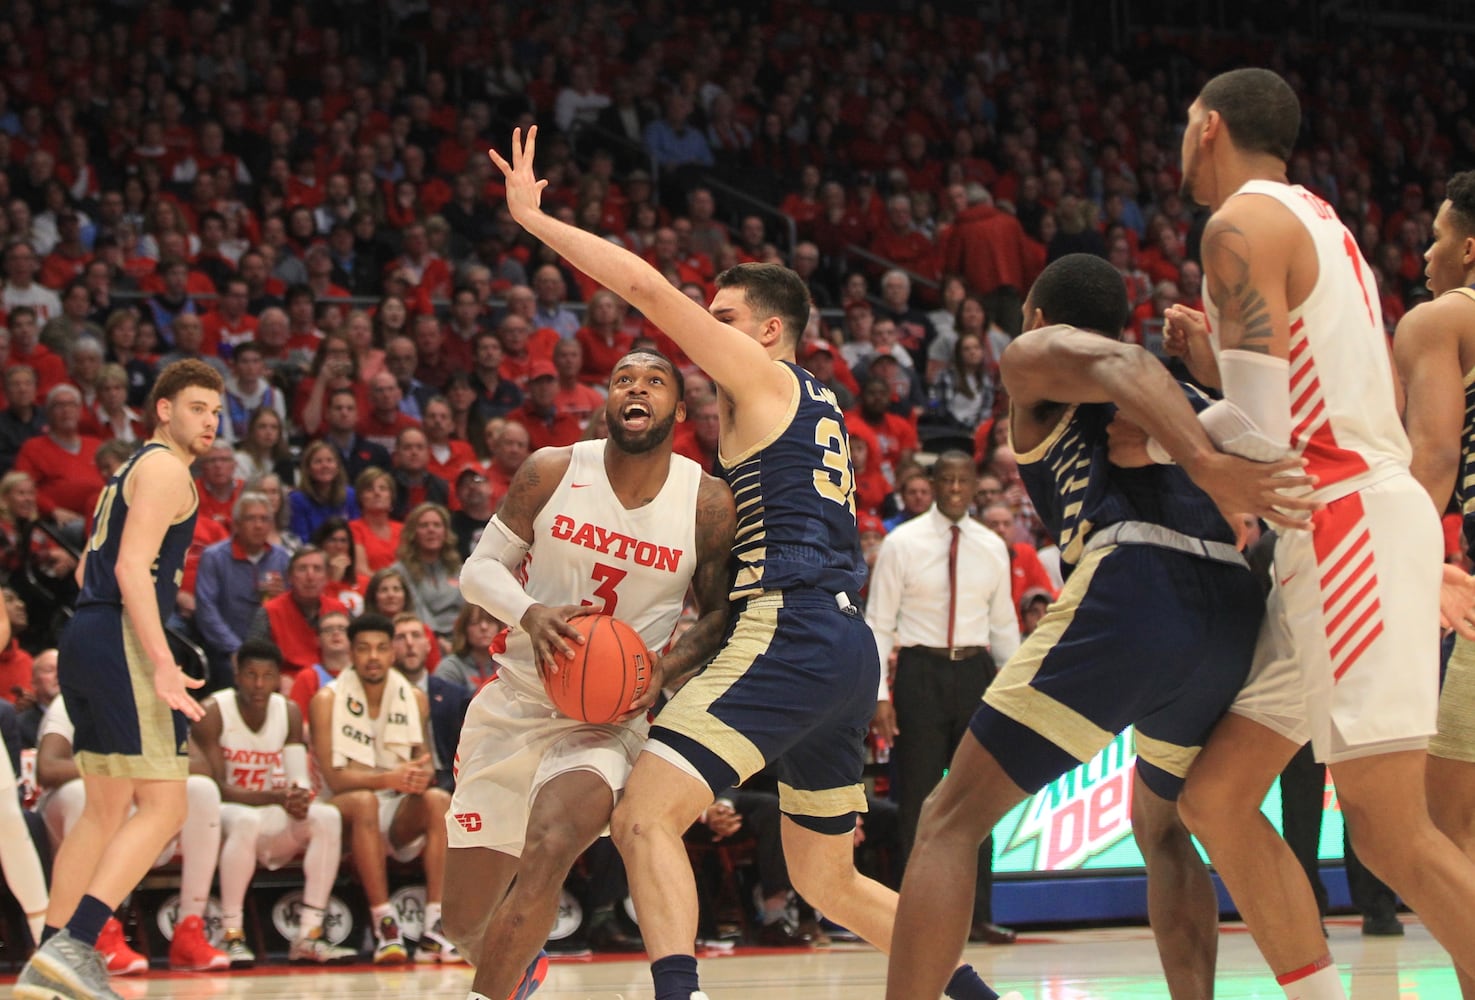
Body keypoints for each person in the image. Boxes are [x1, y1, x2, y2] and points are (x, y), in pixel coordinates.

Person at [493, 126, 993, 1000]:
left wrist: (536, 220)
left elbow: (646, 289)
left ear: (768, 331)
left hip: (789, 625)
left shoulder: (764, 378)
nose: (705, 337)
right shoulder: (822, 404)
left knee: (644, 814)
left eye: (720, 321)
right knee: (825, 880)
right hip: (840, 648)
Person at [883, 253, 1319, 1000]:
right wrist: (1211, 381)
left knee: (947, 820)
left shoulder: (1035, 355)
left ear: (1035, 317)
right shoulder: (1175, 384)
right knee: (1161, 824)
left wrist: (1205, 464)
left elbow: (1118, 362)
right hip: (1226, 603)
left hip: (1133, 585)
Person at [1161, 69, 1475, 1000]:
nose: (1181, 143)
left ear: (1208, 127)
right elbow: (1300, 401)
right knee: (1214, 797)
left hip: (1344, 528)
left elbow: (1256, 437)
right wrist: (1211, 372)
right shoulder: (1315, 217)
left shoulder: (1235, 229)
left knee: (1388, 828)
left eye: (1184, 126)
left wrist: (1149, 406)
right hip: (1333, 527)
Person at [444, 348, 735, 1000]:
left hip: (605, 720)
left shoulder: (706, 501)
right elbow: (478, 571)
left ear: (680, 410)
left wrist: (660, 673)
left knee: (550, 848)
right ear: (606, 400)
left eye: (655, 381)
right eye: (623, 379)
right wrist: (530, 612)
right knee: (462, 922)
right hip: (518, 698)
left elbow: (717, 616)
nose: (637, 389)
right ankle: (518, 969)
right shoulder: (551, 469)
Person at [17, 359, 226, 998]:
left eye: (216, 412)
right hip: (124, 642)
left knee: (105, 808)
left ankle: (48, 959)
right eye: (197, 407)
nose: (210, 422)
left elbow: (89, 572)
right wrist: (162, 661)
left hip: (86, 633)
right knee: (164, 805)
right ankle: (79, 945)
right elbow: (133, 570)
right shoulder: (168, 471)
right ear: (163, 409)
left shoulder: (128, 470)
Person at [866, 452, 1020, 946]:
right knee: (919, 798)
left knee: (979, 795)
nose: (955, 488)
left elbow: (1004, 627)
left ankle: (978, 914)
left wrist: (1014, 695)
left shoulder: (993, 546)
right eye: (946, 479)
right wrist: (880, 694)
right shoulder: (901, 542)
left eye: (963, 480)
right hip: (920, 672)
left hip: (976, 671)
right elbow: (878, 622)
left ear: (976, 486)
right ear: (932, 484)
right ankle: (918, 916)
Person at [1390, 167, 1475, 996]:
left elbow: (1434, 458)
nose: (1424, 251)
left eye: (1437, 236)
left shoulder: (1442, 319)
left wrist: (1400, 567)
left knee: (1446, 825)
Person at [190, 639, 355, 967]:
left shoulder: (289, 711)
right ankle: (231, 932)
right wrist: (278, 797)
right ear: (237, 674)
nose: (259, 684)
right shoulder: (213, 711)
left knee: (327, 817)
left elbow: (298, 783)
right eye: (251, 674)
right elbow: (218, 789)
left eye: (268, 675)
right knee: (246, 821)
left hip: (271, 813)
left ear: (280, 678)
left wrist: (299, 798)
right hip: (222, 818)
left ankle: (309, 935)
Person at [308, 612, 454, 965]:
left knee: (438, 801)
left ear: (392, 653)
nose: (373, 657)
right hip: (343, 810)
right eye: (364, 649)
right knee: (364, 803)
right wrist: (388, 779)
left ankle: (436, 925)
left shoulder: (414, 698)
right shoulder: (325, 700)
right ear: (351, 654)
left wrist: (419, 777)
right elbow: (334, 778)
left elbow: (422, 761)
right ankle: (384, 923)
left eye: (381, 648)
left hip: (396, 806)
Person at [193, 491, 291, 686]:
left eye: (264, 519)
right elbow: (206, 611)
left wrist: (284, 596)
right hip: (225, 649)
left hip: (272, 649)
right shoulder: (214, 557)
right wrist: (236, 649)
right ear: (236, 524)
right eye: (251, 519)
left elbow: (293, 606)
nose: (258, 525)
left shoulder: (282, 557)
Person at [248, 546, 350, 686]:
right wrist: (276, 679)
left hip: (337, 681)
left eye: (317, 569)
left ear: (327, 577)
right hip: (287, 683)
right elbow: (253, 660)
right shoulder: (269, 611)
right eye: (302, 569)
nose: (310, 576)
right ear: (290, 577)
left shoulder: (340, 610)